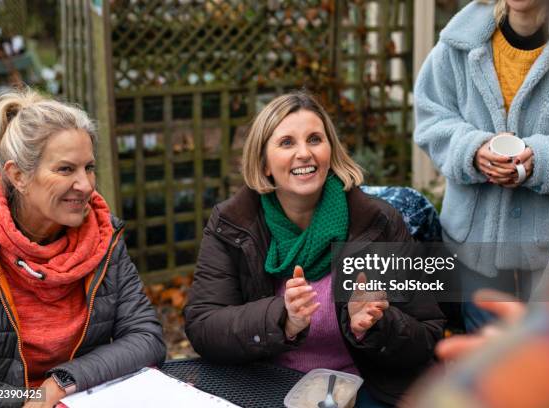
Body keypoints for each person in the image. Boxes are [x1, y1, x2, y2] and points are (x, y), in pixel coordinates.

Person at [184, 92, 445, 407]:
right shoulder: (234, 224)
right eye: (287, 143)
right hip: (267, 389)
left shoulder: (375, 222)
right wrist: (283, 319)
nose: (304, 153)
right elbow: (203, 327)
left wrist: (376, 325)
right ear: (264, 163)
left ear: (330, 151)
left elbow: (428, 333)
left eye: (314, 139)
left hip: (366, 387)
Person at [405, 1, 549, 406]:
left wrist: (541, 159)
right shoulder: (457, 43)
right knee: (489, 355)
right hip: (475, 245)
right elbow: (432, 118)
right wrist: (471, 149)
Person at [0, 89, 165, 407]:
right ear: (18, 175)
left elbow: (146, 337)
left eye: (88, 167)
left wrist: (60, 384)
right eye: (65, 169)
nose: (87, 185)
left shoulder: (103, 237)